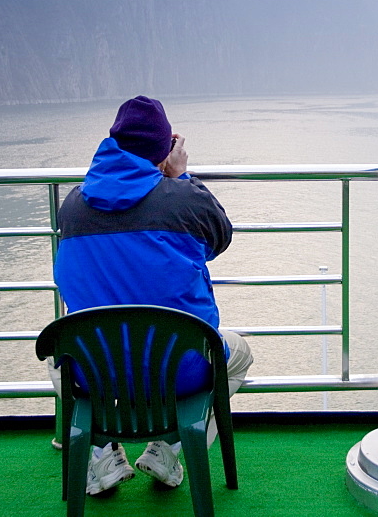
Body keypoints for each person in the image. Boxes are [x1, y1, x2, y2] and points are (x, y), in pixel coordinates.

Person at [50, 95, 253, 496]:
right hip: (181, 367)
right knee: (239, 353)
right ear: (165, 151)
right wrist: (178, 177)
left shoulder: (72, 206)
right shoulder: (183, 198)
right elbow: (218, 239)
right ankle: (169, 449)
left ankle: (102, 456)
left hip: (96, 372)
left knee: (60, 361)